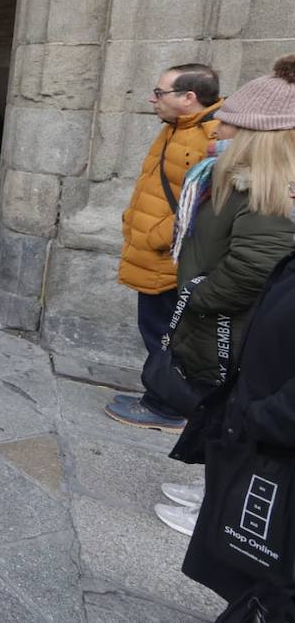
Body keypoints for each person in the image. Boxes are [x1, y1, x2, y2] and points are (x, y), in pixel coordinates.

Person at [144, 55, 295, 537]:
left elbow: (253, 268)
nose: (219, 123)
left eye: (230, 119)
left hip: (236, 326)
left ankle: (218, 511)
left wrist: (200, 296)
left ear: (256, 132)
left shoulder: (266, 193)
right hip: (222, 321)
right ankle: (213, 489)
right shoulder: (232, 175)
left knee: (237, 414)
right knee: (221, 409)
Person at [107, 63, 223, 432]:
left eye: (160, 92)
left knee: (165, 332)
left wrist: (157, 235)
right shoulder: (177, 128)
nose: (152, 98)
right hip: (155, 252)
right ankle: (160, 397)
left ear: (188, 98)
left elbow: (210, 202)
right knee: (157, 328)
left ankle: (166, 406)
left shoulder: (212, 136)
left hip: (169, 258)